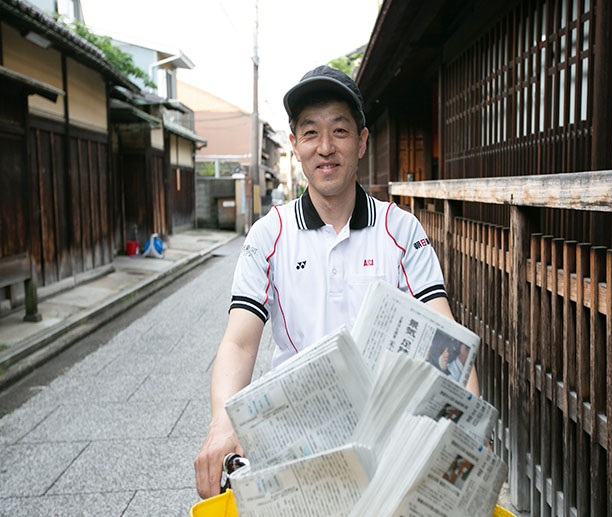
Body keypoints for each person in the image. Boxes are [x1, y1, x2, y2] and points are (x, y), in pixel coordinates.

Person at [194, 65, 480, 499]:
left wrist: (469, 434)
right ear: (294, 146)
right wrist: (222, 423)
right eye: (310, 133)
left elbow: (447, 343)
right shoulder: (268, 235)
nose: (325, 148)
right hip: (294, 443)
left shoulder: (401, 230)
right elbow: (239, 342)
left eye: (340, 131)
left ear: (362, 141)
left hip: (386, 445)